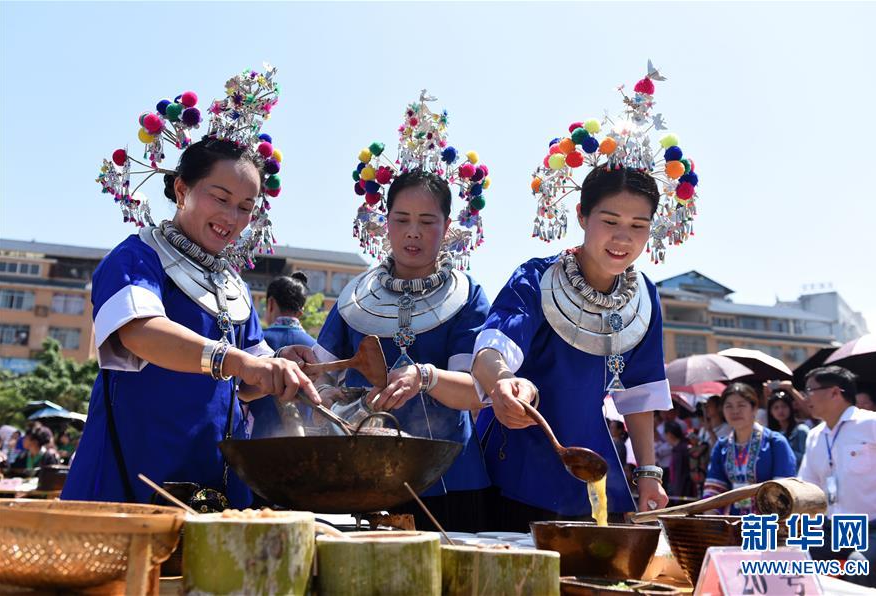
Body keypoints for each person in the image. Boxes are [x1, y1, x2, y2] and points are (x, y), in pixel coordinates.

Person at [62, 66, 319, 509]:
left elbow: (247, 383)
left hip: (215, 480)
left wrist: (277, 367)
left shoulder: (233, 285)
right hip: (135, 473)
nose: (232, 218)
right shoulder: (137, 257)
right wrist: (235, 360)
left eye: (246, 207)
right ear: (181, 190)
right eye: (220, 198)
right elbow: (140, 332)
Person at [471, 63, 703, 529]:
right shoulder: (536, 278)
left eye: (638, 226)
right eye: (610, 221)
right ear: (581, 216)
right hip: (516, 457)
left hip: (591, 459)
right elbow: (492, 348)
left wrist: (649, 474)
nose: (623, 238)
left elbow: (639, 393)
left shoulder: (644, 297)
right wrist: (502, 383)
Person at [312, 94, 491, 532]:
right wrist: (326, 392)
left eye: (428, 222)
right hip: (367, 474)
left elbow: (475, 391)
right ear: (385, 222)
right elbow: (320, 376)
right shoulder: (355, 298)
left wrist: (424, 377)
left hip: (452, 478)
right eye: (402, 219)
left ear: (447, 227)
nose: (413, 233)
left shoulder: (468, 296)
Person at [798, 366, 876, 589]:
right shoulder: (814, 436)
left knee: (858, 565)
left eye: (810, 390)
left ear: (835, 392)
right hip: (836, 529)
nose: (805, 398)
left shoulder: (875, 423)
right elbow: (806, 488)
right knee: (790, 556)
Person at [702, 383, 796, 515]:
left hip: (768, 522)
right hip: (732, 522)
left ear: (754, 408)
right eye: (729, 406)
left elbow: (783, 489)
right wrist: (710, 518)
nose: (735, 411)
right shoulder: (722, 446)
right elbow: (714, 488)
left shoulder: (775, 442)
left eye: (741, 405)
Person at [248, 272, 317, 440]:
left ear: (270, 303)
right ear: (301, 311)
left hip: (258, 436)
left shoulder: (256, 344)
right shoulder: (315, 347)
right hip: (304, 439)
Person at [767, 391, 810, 467]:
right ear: (771, 412)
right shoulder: (769, 434)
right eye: (776, 407)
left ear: (790, 408)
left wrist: (784, 450)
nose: (780, 410)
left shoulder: (801, 430)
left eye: (784, 406)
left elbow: (808, 458)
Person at [664, 421, 695, 501]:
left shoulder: (681, 450)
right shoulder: (678, 449)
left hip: (683, 493)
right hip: (679, 491)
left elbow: (680, 474)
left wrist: (677, 496)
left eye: (665, 435)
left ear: (670, 434)